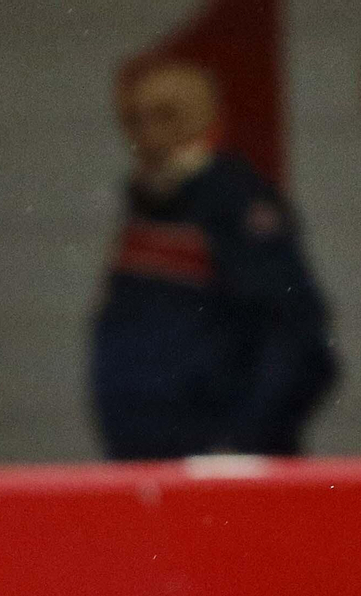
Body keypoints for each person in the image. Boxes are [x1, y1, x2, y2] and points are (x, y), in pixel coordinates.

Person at [92, 59, 337, 459]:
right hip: (142, 459)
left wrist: (241, 446)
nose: (147, 133)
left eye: (166, 115)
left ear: (202, 118)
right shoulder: (146, 205)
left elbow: (300, 341)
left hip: (221, 467)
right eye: (133, 118)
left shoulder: (235, 204)